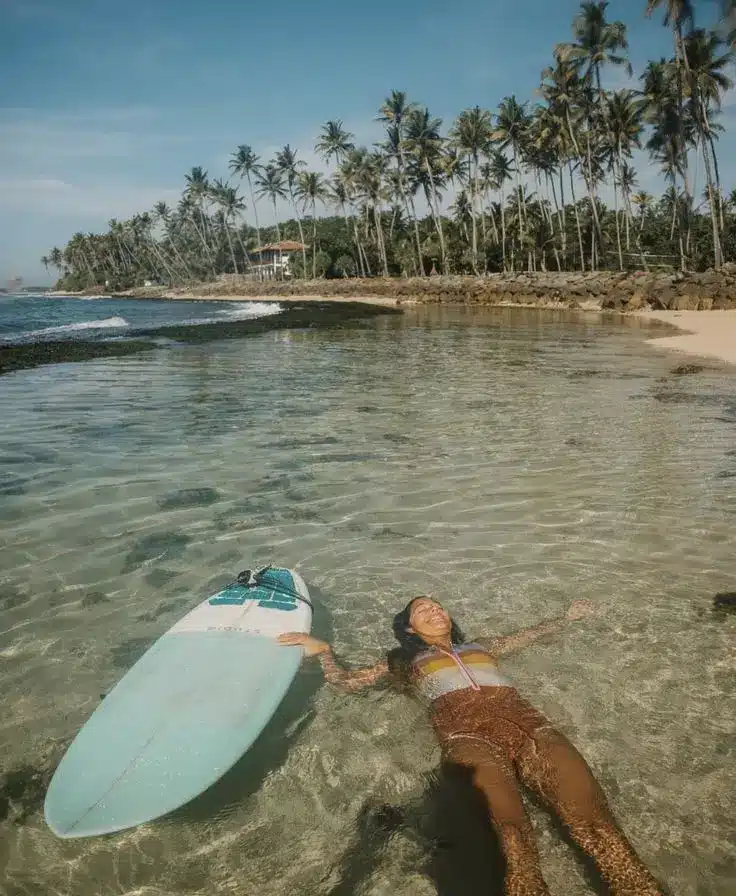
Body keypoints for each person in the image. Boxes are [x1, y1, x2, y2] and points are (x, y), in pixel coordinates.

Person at [278, 596, 664, 896]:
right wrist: (324, 651)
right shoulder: (401, 661)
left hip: (529, 725)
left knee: (597, 824)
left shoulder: (484, 645)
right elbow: (348, 683)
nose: (433, 609)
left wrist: (568, 617)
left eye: (436, 604)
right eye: (421, 609)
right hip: (465, 735)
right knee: (512, 837)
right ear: (409, 629)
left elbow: (532, 633)